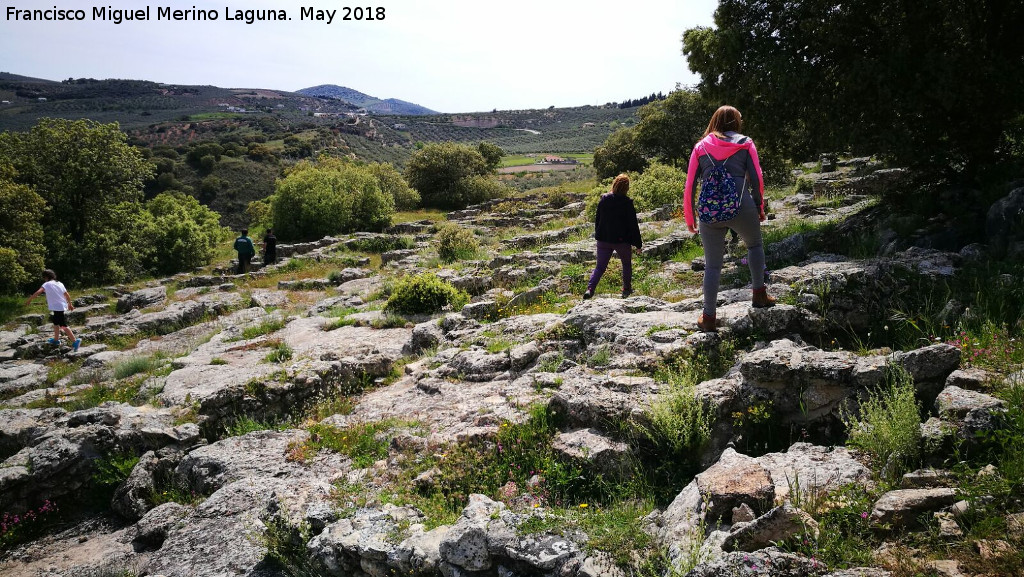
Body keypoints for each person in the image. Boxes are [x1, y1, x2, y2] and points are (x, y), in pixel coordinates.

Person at [683, 105, 775, 331]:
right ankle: (759, 295)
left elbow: (690, 185)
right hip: (742, 207)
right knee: (754, 246)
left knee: (713, 266)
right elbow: (757, 178)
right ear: (736, 122)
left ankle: (709, 318)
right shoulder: (746, 143)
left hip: (709, 213)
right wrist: (759, 206)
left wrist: (689, 217)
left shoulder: (700, 147)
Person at [584, 174, 643, 299]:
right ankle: (626, 289)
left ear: (614, 184)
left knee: (599, 267)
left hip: (604, 240)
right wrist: (638, 244)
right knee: (626, 264)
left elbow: (598, 219)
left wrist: (599, 234)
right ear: (626, 188)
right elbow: (633, 225)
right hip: (622, 241)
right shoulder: (627, 203)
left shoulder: (604, 199)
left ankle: (590, 289)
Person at [25, 269, 80, 351]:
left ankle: (75, 341)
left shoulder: (46, 284)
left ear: (46, 277)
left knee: (63, 325)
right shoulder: (59, 283)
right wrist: (70, 304)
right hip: (60, 306)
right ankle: (56, 340)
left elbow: (38, 292)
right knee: (56, 322)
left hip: (57, 307)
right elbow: (67, 294)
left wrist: (29, 299)